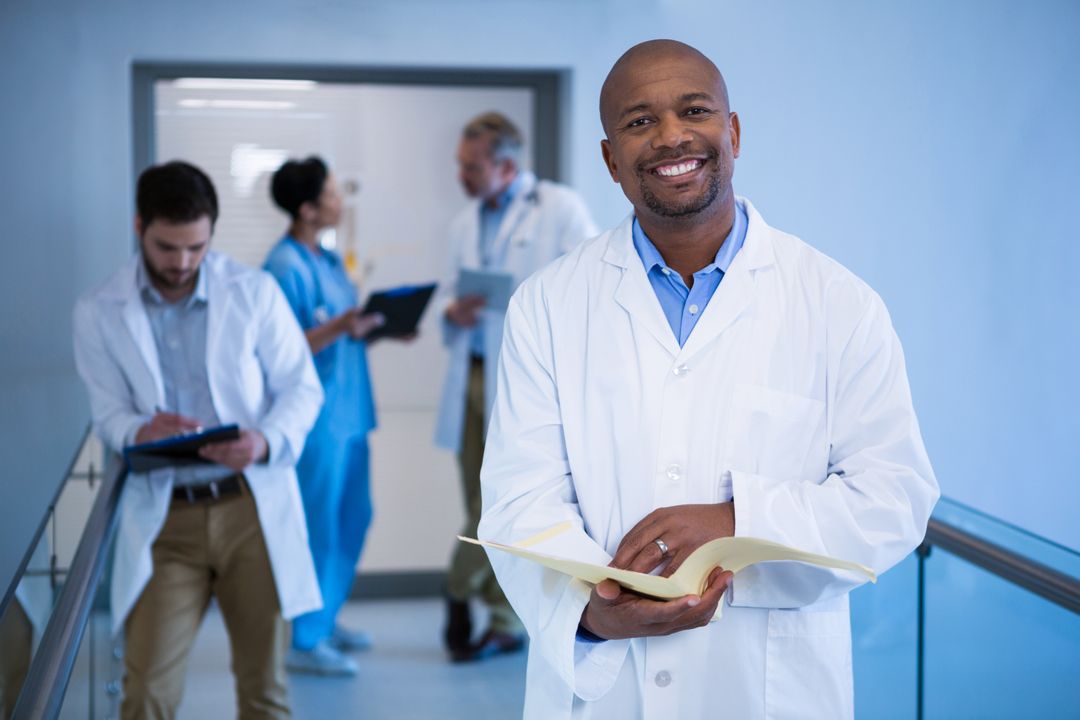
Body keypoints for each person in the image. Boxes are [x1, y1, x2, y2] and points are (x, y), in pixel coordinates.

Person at [477, 40, 940, 719]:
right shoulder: (547, 305)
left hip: (771, 692)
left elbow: (895, 499)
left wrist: (735, 522)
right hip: (607, 691)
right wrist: (594, 618)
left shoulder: (839, 303)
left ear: (733, 132)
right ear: (611, 159)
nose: (671, 137)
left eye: (694, 110)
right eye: (639, 121)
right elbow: (521, 499)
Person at [73, 161, 323, 719]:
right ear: (139, 226)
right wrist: (139, 429)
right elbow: (106, 412)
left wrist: (263, 441)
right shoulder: (97, 310)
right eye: (167, 247)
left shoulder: (253, 291)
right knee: (146, 695)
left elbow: (302, 389)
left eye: (196, 247)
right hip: (167, 520)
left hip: (250, 509)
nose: (182, 263)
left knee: (265, 691)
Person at [434, 112, 598, 662]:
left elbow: (590, 286)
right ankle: (491, 607)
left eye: (472, 166)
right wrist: (451, 310)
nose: (463, 175)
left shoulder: (559, 208)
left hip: (526, 380)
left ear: (506, 165)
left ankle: (468, 596)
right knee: (475, 499)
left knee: (509, 501)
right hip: (474, 375)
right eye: (461, 165)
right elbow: (446, 293)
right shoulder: (464, 222)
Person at [263, 157, 389, 677]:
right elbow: (281, 351)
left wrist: (376, 327)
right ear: (309, 207)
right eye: (333, 195)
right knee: (318, 527)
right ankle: (304, 638)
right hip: (315, 422)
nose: (341, 203)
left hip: (350, 412)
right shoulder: (283, 267)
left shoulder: (329, 260)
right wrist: (340, 326)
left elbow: (341, 328)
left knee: (353, 518)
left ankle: (326, 616)